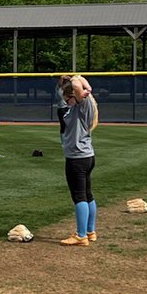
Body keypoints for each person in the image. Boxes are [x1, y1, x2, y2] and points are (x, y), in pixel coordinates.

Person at [56, 74, 99, 246]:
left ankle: (81, 235)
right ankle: (90, 231)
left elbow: (76, 83)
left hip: (77, 159)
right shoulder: (80, 107)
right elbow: (72, 86)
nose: (66, 103)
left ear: (76, 95)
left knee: (79, 196)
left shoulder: (83, 105)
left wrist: (79, 81)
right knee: (87, 195)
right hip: (86, 156)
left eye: (68, 99)